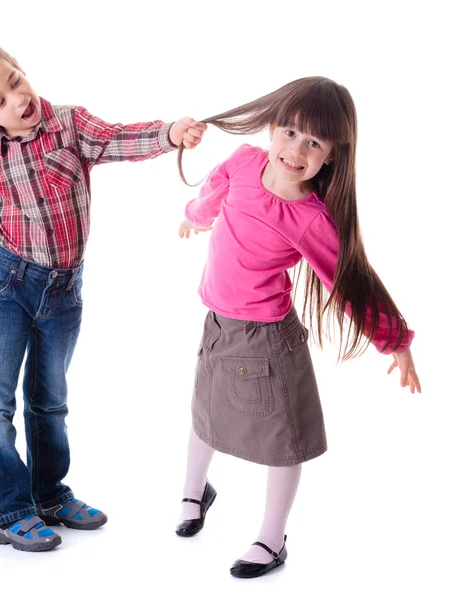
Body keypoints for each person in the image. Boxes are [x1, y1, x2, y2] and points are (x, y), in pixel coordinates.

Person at [0, 38, 206, 552]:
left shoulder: (70, 125)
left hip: (63, 289)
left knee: (50, 401)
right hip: (7, 284)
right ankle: (8, 510)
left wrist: (170, 134)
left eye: (15, 81)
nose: (17, 99)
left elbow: (121, 139)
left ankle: (49, 495)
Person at [174, 76, 421, 578]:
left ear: (331, 156)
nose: (296, 149)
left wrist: (394, 341)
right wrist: (194, 217)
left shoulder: (310, 220)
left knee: (284, 439)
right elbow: (212, 197)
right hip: (219, 324)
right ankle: (194, 491)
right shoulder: (244, 163)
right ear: (272, 127)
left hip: (266, 342)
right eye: (289, 132)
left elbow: (351, 283)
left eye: (314, 143)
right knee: (204, 412)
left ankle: (272, 537)